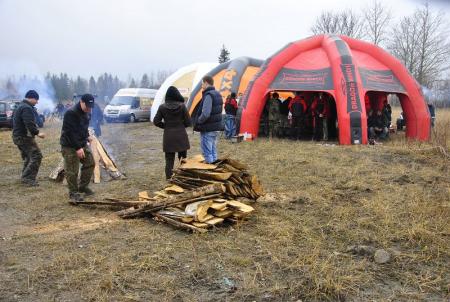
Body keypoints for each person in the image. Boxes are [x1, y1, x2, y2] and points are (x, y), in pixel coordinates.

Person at [60, 94, 96, 203]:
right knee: (72, 170)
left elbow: (83, 127)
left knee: (90, 163)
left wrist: (87, 136)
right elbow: (69, 133)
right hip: (70, 145)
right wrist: (77, 148)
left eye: (91, 106)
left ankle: (83, 187)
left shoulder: (87, 113)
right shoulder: (71, 113)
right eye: (87, 106)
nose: (89, 109)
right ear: (81, 102)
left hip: (81, 143)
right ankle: (73, 193)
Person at [153, 86, 192, 179]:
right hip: (181, 136)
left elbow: (156, 121)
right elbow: (189, 122)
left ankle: (169, 179)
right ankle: (183, 178)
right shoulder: (182, 106)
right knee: (183, 159)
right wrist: (181, 126)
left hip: (168, 137)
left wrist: (166, 126)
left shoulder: (162, 107)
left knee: (169, 161)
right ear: (176, 95)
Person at [12, 90, 45, 186]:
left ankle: (25, 175)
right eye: (36, 100)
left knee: (28, 156)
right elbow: (29, 123)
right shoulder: (26, 108)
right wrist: (37, 133)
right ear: (32, 98)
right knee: (36, 156)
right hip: (23, 137)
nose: (37, 102)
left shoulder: (21, 106)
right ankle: (28, 178)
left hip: (18, 136)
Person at [193, 76, 223, 163]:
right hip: (215, 128)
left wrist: (198, 121)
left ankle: (210, 172)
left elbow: (206, 113)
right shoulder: (218, 94)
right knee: (213, 151)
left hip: (208, 129)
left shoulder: (209, 95)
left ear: (206, 83)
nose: (202, 86)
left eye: (202, 84)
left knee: (207, 153)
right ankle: (216, 170)